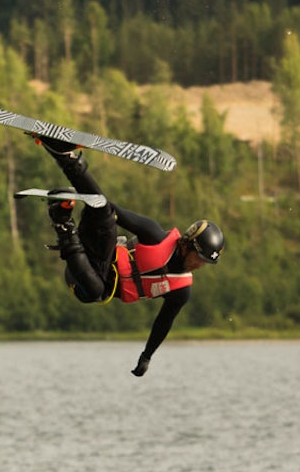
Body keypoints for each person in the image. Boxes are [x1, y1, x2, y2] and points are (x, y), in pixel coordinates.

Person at [33, 135, 225, 377]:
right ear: (187, 245)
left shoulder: (181, 290)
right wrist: (83, 184)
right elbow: (109, 208)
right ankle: (66, 160)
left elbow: (163, 323)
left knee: (97, 291)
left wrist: (147, 356)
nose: (199, 265)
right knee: (104, 210)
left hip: (85, 282)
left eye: (205, 262)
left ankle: (62, 217)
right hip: (96, 249)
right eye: (199, 258)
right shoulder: (155, 235)